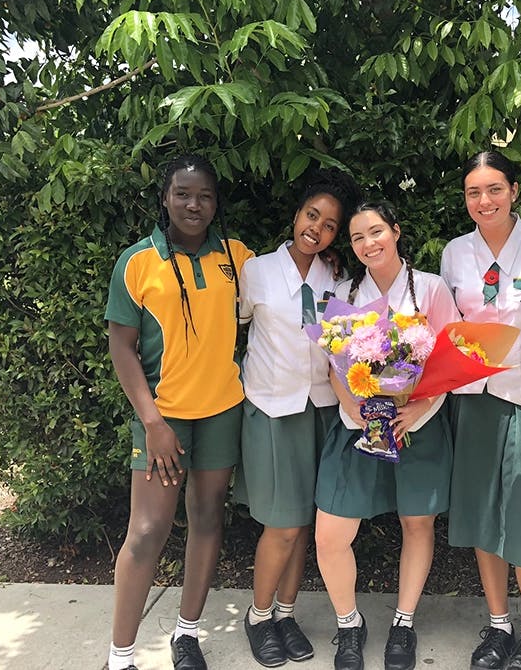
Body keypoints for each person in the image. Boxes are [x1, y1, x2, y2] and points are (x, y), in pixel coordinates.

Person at [104, 154, 254, 670]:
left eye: (205, 196)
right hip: (163, 418)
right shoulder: (138, 261)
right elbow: (121, 348)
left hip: (222, 411)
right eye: (183, 194)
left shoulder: (237, 257)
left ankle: (186, 634)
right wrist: (152, 423)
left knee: (209, 519)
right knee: (147, 531)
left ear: (216, 203)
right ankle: (121, 654)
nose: (195, 205)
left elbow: (286, 289)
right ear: (165, 198)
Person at [314, 200, 459, 670]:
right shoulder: (343, 294)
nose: (368, 243)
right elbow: (333, 360)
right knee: (330, 533)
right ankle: (349, 624)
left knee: (417, 523)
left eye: (376, 232)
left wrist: (415, 408)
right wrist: (355, 405)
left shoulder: (431, 289)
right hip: (357, 425)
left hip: (417, 422)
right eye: (357, 237)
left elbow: (452, 360)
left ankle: (404, 621)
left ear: (395, 231)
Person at [234, 168, 361, 667]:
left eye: (330, 225)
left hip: (323, 412)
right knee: (282, 524)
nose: (318, 229)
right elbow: (239, 328)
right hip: (272, 409)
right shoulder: (257, 272)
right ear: (297, 213)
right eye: (313, 215)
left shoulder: (339, 278)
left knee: (306, 521)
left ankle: (286, 614)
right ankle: (259, 615)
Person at [440, 150, 521, 670]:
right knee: (482, 518)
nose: (483, 201)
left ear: (514, 190)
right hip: (473, 402)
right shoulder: (455, 253)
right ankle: (498, 626)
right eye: (473, 192)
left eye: (494, 189)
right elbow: (443, 323)